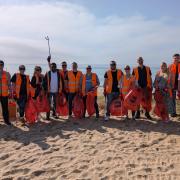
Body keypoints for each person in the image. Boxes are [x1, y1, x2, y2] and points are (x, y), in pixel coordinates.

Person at [0, 60, 11, 125]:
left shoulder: (7, 74)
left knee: (5, 109)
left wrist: (10, 92)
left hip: (4, 94)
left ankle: (6, 121)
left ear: (3, 65)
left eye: (1, 65)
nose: (0, 66)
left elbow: (9, 84)